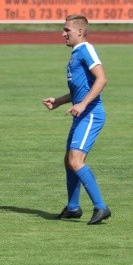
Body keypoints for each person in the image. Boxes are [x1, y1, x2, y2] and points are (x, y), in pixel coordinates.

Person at [42, 14, 111, 225]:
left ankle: (101, 207)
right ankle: (73, 207)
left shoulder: (86, 49)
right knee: (68, 161)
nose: (62, 34)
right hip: (81, 114)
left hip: (90, 114)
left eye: (66, 30)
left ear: (79, 32)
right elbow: (81, 89)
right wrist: (60, 101)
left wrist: (82, 105)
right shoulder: (76, 53)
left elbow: (102, 79)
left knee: (75, 161)